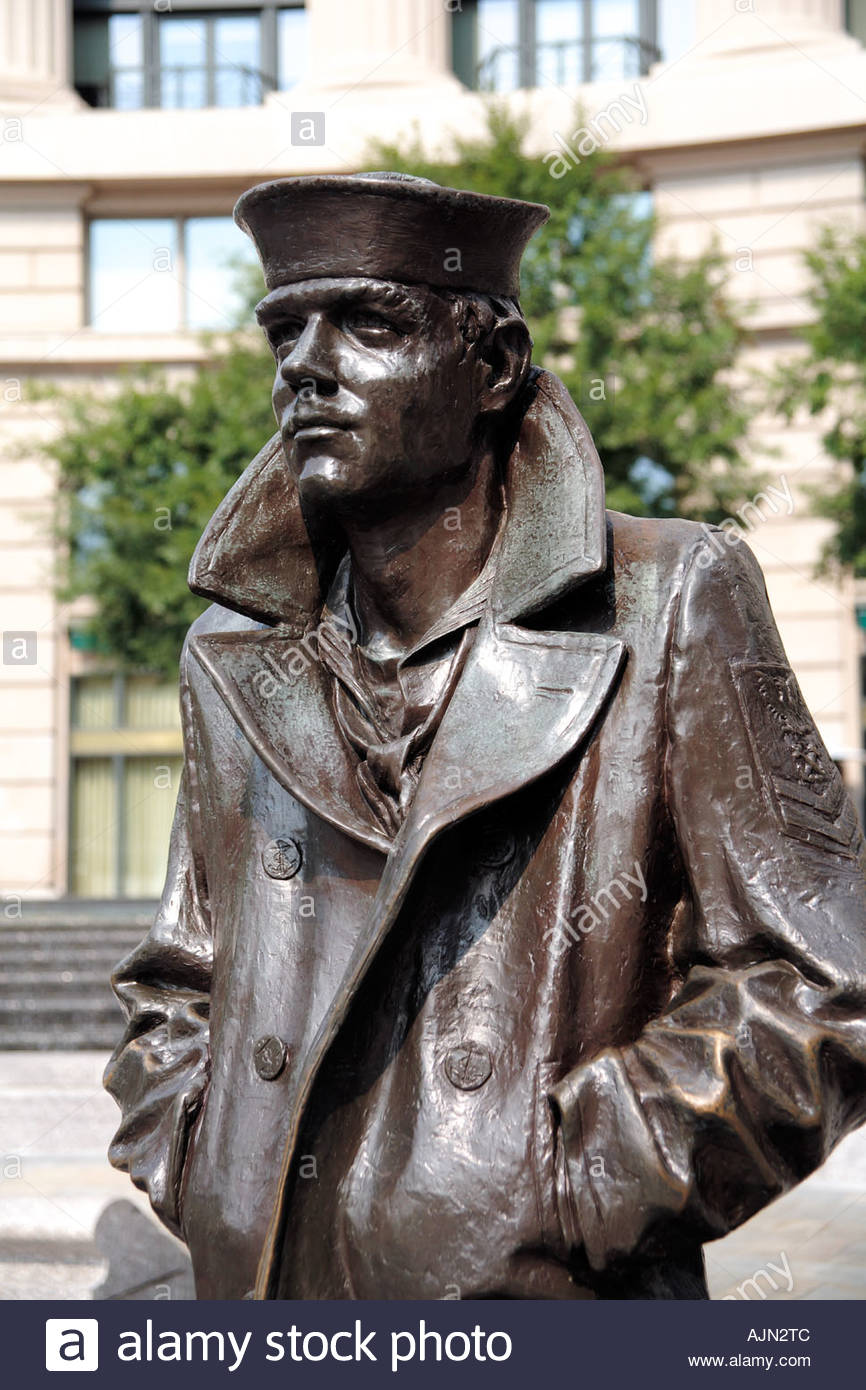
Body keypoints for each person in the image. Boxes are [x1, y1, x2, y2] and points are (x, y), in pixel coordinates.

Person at [105, 173, 866, 1301]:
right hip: (267, 1294)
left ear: (492, 366)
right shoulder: (234, 648)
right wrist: (208, 1153)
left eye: (366, 324)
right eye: (283, 329)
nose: (302, 366)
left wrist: (567, 1178)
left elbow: (815, 979)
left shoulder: (665, 598)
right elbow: (178, 978)